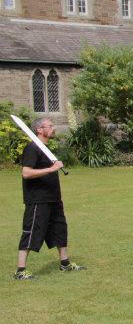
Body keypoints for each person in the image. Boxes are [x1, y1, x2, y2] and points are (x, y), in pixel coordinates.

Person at [15, 118, 85, 279]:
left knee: (60, 230)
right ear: (40, 129)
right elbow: (26, 173)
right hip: (38, 199)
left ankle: (65, 263)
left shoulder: (45, 148)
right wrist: (52, 168)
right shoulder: (32, 148)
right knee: (32, 231)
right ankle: (20, 271)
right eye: (50, 126)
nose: (53, 128)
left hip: (54, 198)